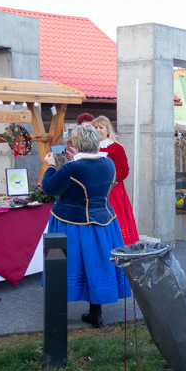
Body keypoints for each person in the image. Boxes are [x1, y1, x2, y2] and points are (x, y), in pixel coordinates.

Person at [41, 124, 130, 328]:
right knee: (95, 265)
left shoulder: (71, 168)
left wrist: (51, 165)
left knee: (62, 264)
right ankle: (95, 313)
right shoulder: (108, 164)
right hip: (102, 222)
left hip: (70, 223)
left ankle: (57, 315)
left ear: (78, 144)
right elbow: (89, 178)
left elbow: (49, 188)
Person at [92, 115, 139, 245]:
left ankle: (118, 243)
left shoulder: (116, 148)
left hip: (112, 189)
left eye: (101, 127)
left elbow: (124, 170)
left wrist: (110, 182)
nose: (98, 130)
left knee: (115, 216)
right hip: (94, 189)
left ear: (108, 130)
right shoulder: (89, 148)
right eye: (95, 127)